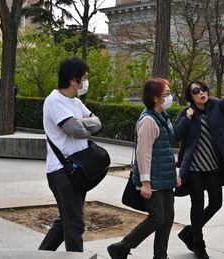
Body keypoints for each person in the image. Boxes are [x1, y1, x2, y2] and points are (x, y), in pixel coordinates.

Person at [174, 80, 224, 259]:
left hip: (213, 168)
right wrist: (187, 119)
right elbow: (176, 134)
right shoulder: (186, 113)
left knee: (216, 203)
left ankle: (190, 231)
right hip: (194, 169)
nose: (201, 92)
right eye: (196, 91)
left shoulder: (216, 107)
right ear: (191, 96)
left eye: (203, 89)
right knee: (197, 205)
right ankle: (198, 245)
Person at [107, 78, 181, 259]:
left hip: (164, 177)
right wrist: (145, 183)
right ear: (155, 98)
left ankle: (160, 256)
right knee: (157, 218)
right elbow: (143, 153)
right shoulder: (148, 120)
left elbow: (164, 150)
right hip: (152, 179)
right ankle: (122, 247)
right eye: (166, 94)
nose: (170, 97)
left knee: (167, 219)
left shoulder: (162, 117)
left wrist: (174, 174)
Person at [38, 56, 101, 252]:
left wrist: (81, 122)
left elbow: (97, 122)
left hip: (77, 169)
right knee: (75, 225)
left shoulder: (75, 101)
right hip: (61, 171)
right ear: (74, 80)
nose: (86, 81)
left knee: (65, 221)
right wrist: (82, 123)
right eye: (85, 77)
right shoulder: (54, 101)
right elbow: (76, 130)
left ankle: (39, 255)